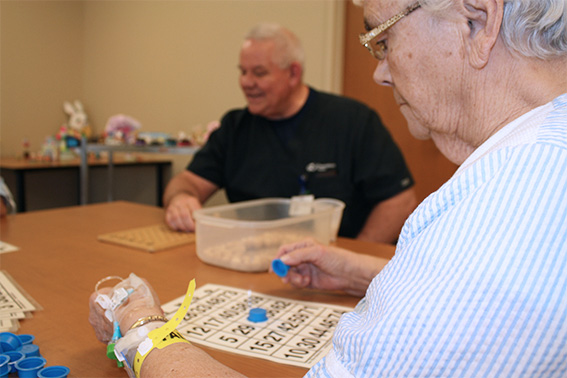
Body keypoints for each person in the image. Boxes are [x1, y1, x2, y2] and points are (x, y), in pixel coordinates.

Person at [89, 0, 567, 377]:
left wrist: (141, 333)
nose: (380, 71)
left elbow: (476, 275)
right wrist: (362, 271)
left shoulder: (502, 215)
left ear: (477, 20)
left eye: (382, 39)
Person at [163, 22, 417, 244]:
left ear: (293, 73)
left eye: (259, 73)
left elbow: (399, 202)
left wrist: (352, 258)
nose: (246, 82)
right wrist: (181, 199)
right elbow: (186, 183)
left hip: (332, 265)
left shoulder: (353, 121)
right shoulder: (234, 128)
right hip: (253, 261)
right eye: (242, 71)